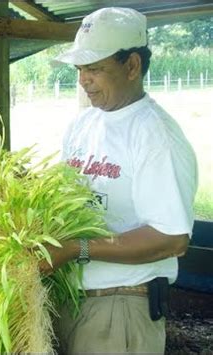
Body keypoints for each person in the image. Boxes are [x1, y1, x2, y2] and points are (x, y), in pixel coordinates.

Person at [41, 7, 198, 354]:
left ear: (132, 66)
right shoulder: (83, 125)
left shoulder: (155, 135)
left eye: (95, 68)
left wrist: (73, 249)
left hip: (121, 310)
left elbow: (172, 238)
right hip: (70, 301)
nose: (83, 80)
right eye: (80, 69)